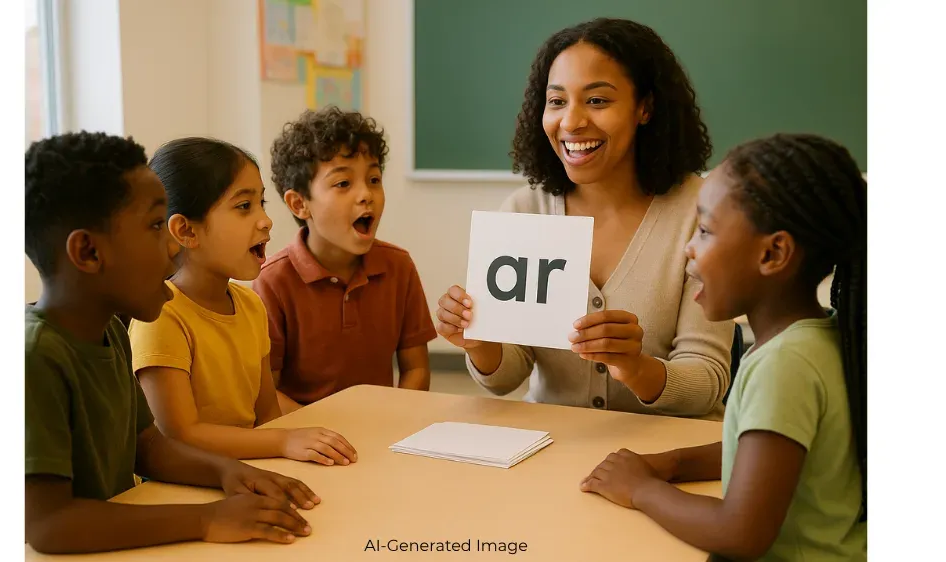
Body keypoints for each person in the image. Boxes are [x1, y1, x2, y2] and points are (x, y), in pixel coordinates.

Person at [25, 132, 319, 554]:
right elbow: (50, 525)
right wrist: (205, 519)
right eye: (153, 226)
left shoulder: (108, 331)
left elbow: (149, 447)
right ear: (88, 252)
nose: (171, 243)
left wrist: (228, 472)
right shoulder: (35, 357)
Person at [580, 133, 867, 561]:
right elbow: (765, 449)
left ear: (774, 253)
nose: (689, 248)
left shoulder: (784, 366)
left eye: (707, 231)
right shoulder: (816, 337)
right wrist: (672, 464)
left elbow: (740, 534)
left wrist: (642, 490)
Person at [435, 18, 733, 418]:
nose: (571, 122)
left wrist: (635, 366)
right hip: (554, 447)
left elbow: (707, 383)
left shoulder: (702, 213)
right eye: (557, 101)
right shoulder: (525, 213)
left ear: (645, 107)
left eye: (597, 101)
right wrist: (478, 340)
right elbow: (505, 377)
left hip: (669, 454)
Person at [128, 137, 357, 465]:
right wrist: (283, 441)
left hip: (248, 470)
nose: (266, 220)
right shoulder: (162, 316)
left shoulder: (251, 305)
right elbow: (179, 435)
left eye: (261, 203)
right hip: (189, 482)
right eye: (244, 206)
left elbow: (266, 416)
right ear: (186, 231)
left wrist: (295, 441)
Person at [252, 107, 437, 407]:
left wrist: (396, 419)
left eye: (374, 179)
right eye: (343, 184)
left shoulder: (399, 267)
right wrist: (323, 433)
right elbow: (267, 392)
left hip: (381, 434)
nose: (366, 194)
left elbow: (416, 369)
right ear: (300, 204)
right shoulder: (272, 282)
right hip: (307, 441)